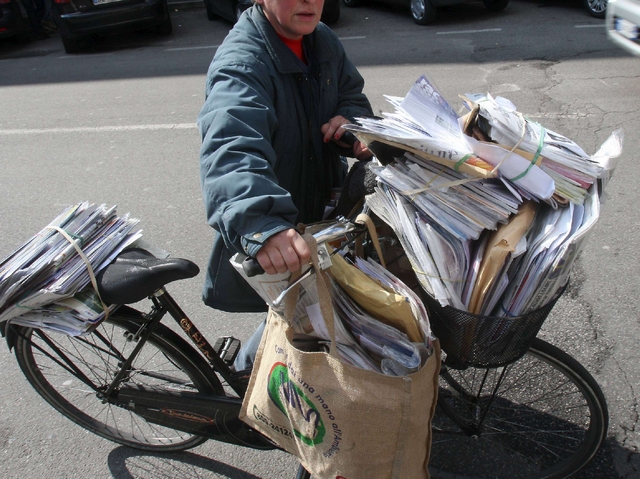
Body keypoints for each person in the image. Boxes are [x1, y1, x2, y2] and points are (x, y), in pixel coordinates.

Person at [197, 0, 374, 370]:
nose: (309, 1)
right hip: (280, 222)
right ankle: (243, 387)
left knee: (305, 313)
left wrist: (352, 125)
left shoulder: (321, 39)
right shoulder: (242, 63)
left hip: (320, 210)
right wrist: (263, 224)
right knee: (293, 317)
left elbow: (350, 96)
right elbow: (231, 150)